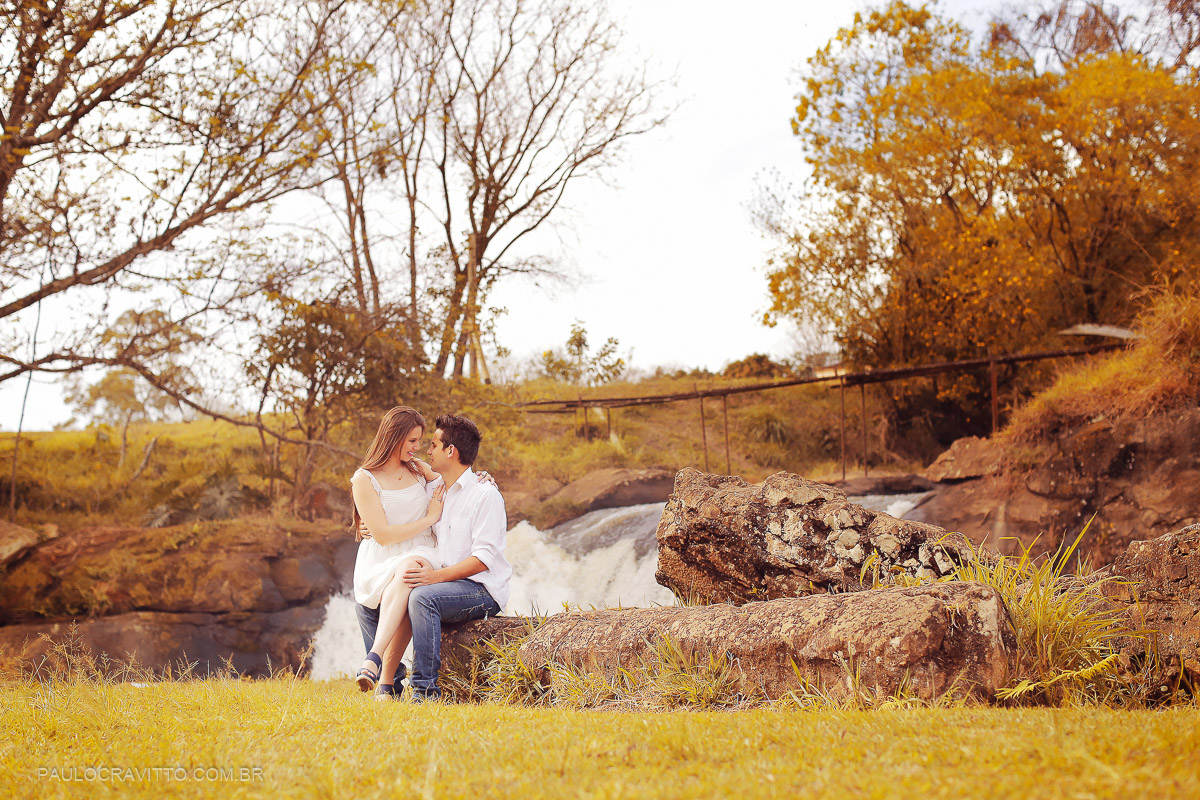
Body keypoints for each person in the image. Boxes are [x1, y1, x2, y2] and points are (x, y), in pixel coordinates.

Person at [400, 414, 512, 702]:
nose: (428, 450)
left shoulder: (485, 495)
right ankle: (388, 683)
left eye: (435, 445)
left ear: (451, 451)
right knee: (390, 588)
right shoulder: (434, 490)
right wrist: (365, 524)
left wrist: (434, 578)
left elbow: (483, 559)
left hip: (482, 589)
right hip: (448, 583)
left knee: (423, 597)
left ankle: (424, 693)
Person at [349, 406, 446, 697]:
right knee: (404, 578)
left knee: (409, 571)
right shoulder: (364, 479)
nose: (418, 448)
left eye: (420, 441)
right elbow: (383, 535)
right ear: (394, 437)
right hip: (380, 557)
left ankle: (374, 661)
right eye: (413, 441)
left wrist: (483, 478)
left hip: (420, 551)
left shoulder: (417, 469)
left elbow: (454, 477)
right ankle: (387, 682)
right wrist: (429, 518)